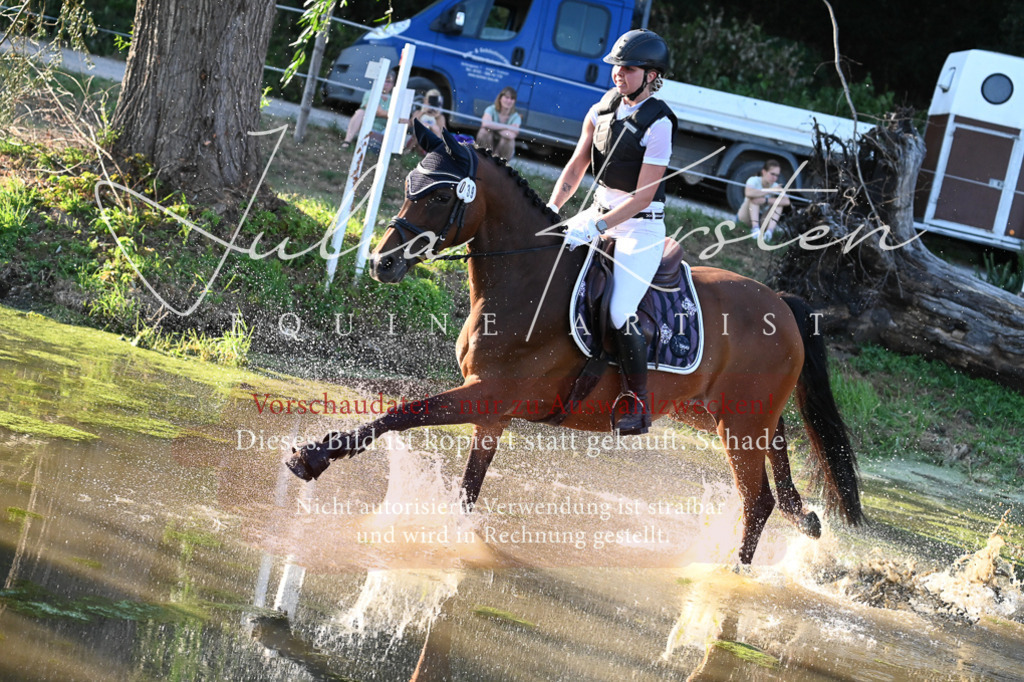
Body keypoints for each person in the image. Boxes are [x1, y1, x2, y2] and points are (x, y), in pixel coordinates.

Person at [547, 29, 676, 436]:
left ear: (652, 75)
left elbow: (642, 196)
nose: (619, 73)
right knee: (545, 259)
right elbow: (576, 165)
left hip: (640, 227)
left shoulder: (660, 123)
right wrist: (552, 209)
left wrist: (600, 224)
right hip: (597, 212)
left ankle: (637, 402)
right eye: (617, 66)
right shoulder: (600, 109)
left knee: (621, 311)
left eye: (629, 68)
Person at [737, 159, 791, 240]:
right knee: (753, 198)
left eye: (777, 175)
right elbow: (748, 193)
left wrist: (766, 200)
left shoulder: (776, 186)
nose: (774, 178)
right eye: (772, 174)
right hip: (746, 216)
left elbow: (787, 201)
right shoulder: (753, 180)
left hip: (762, 219)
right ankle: (755, 229)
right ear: (764, 172)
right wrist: (770, 191)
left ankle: (769, 233)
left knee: (779, 204)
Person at [342, 69, 396, 150]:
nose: (385, 84)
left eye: (388, 82)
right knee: (360, 113)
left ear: (393, 84)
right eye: (384, 81)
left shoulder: (395, 99)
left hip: (385, 129)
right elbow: (379, 112)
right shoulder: (370, 93)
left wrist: (389, 115)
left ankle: (392, 152)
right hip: (369, 125)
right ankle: (347, 142)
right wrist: (391, 114)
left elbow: (402, 119)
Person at [475, 86, 521, 160]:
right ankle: (483, 158)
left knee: (508, 140)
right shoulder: (491, 109)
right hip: (489, 142)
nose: (509, 101)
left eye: (512, 99)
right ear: (500, 98)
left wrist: (493, 127)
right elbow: (485, 124)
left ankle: (500, 163)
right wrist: (507, 127)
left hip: (502, 150)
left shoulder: (516, 117)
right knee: (484, 131)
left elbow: (511, 136)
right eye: (506, 97)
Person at [405, 89, 447, 154]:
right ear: (425, 100)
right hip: (416, 141)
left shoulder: (440, 117)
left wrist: (436, 116)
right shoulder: (418, 112)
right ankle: (407, 152)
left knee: (435, 129)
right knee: (422, 129)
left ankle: (434, 153)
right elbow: (413, 122)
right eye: (430, 100)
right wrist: (423, 111)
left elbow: (443, 133)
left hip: (430, 142)